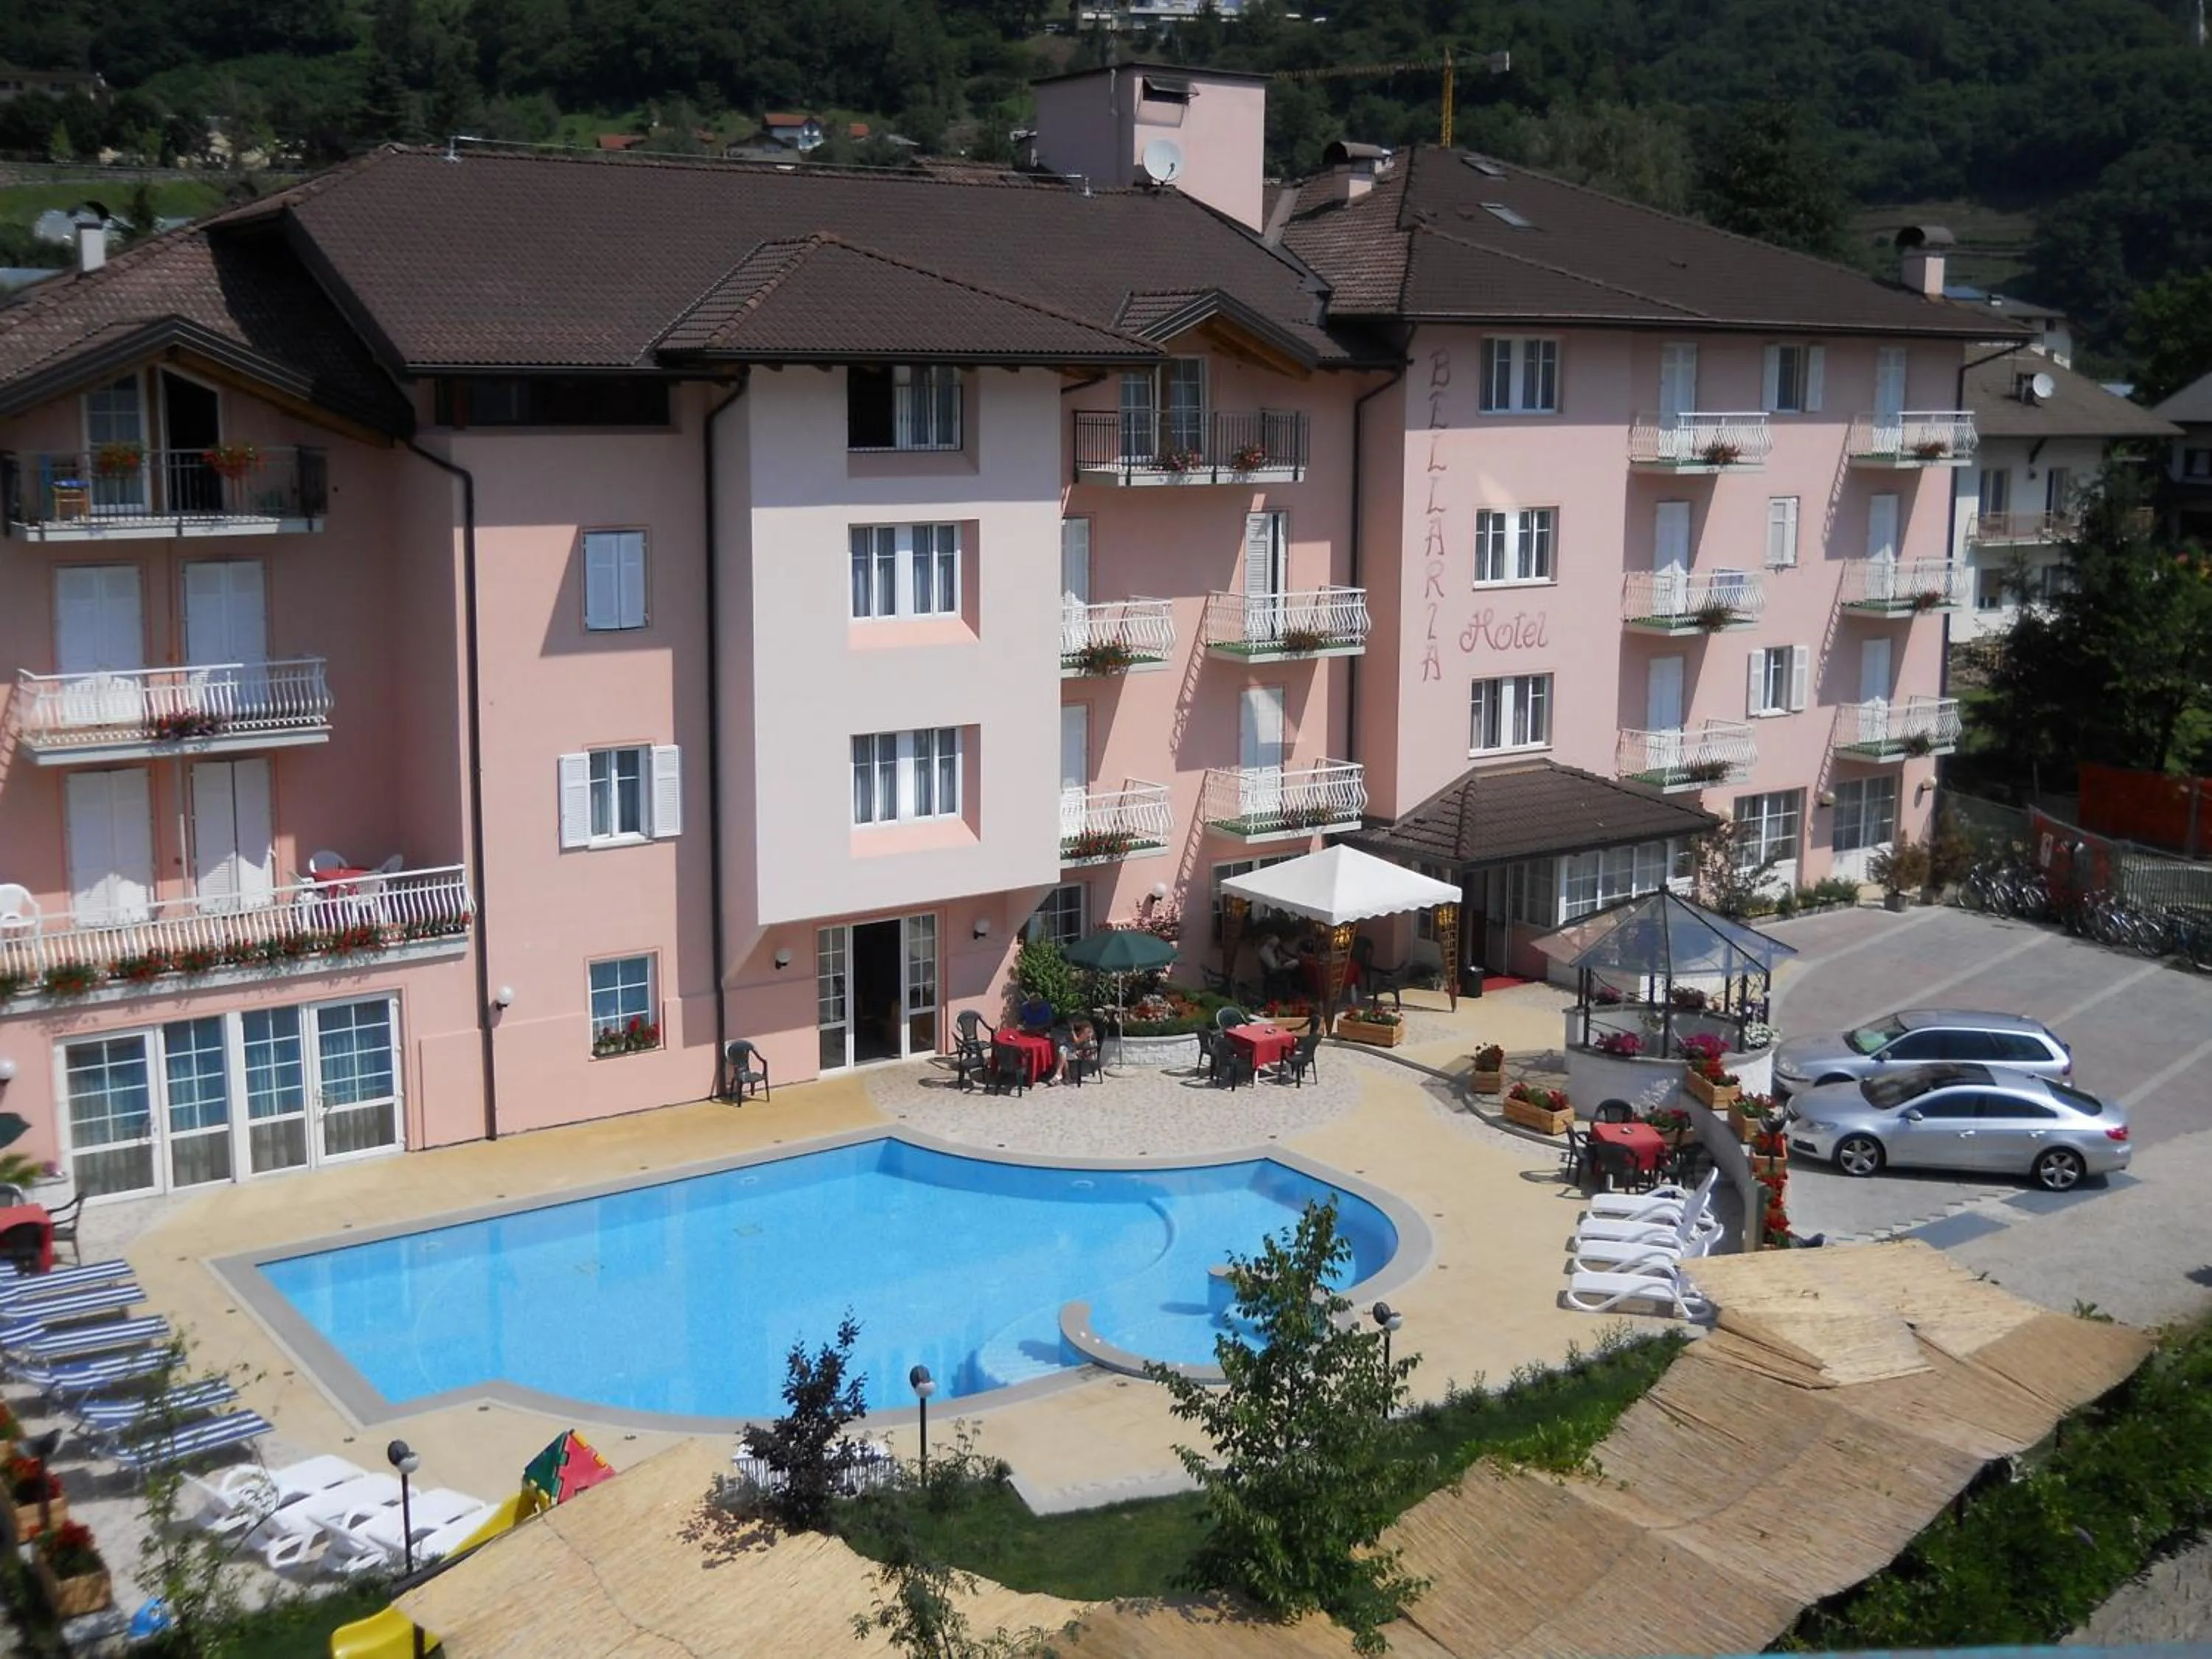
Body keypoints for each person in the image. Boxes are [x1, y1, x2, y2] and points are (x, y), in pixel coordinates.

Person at [1258, 931, 1302, 1001]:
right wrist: (1285, 965)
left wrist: (1284, 961)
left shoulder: (1270, 950)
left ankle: (1293, 994)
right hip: (1273, 974)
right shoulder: (1265, 951)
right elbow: (1273, 967)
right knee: (1295, 968)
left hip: (1275, 971)